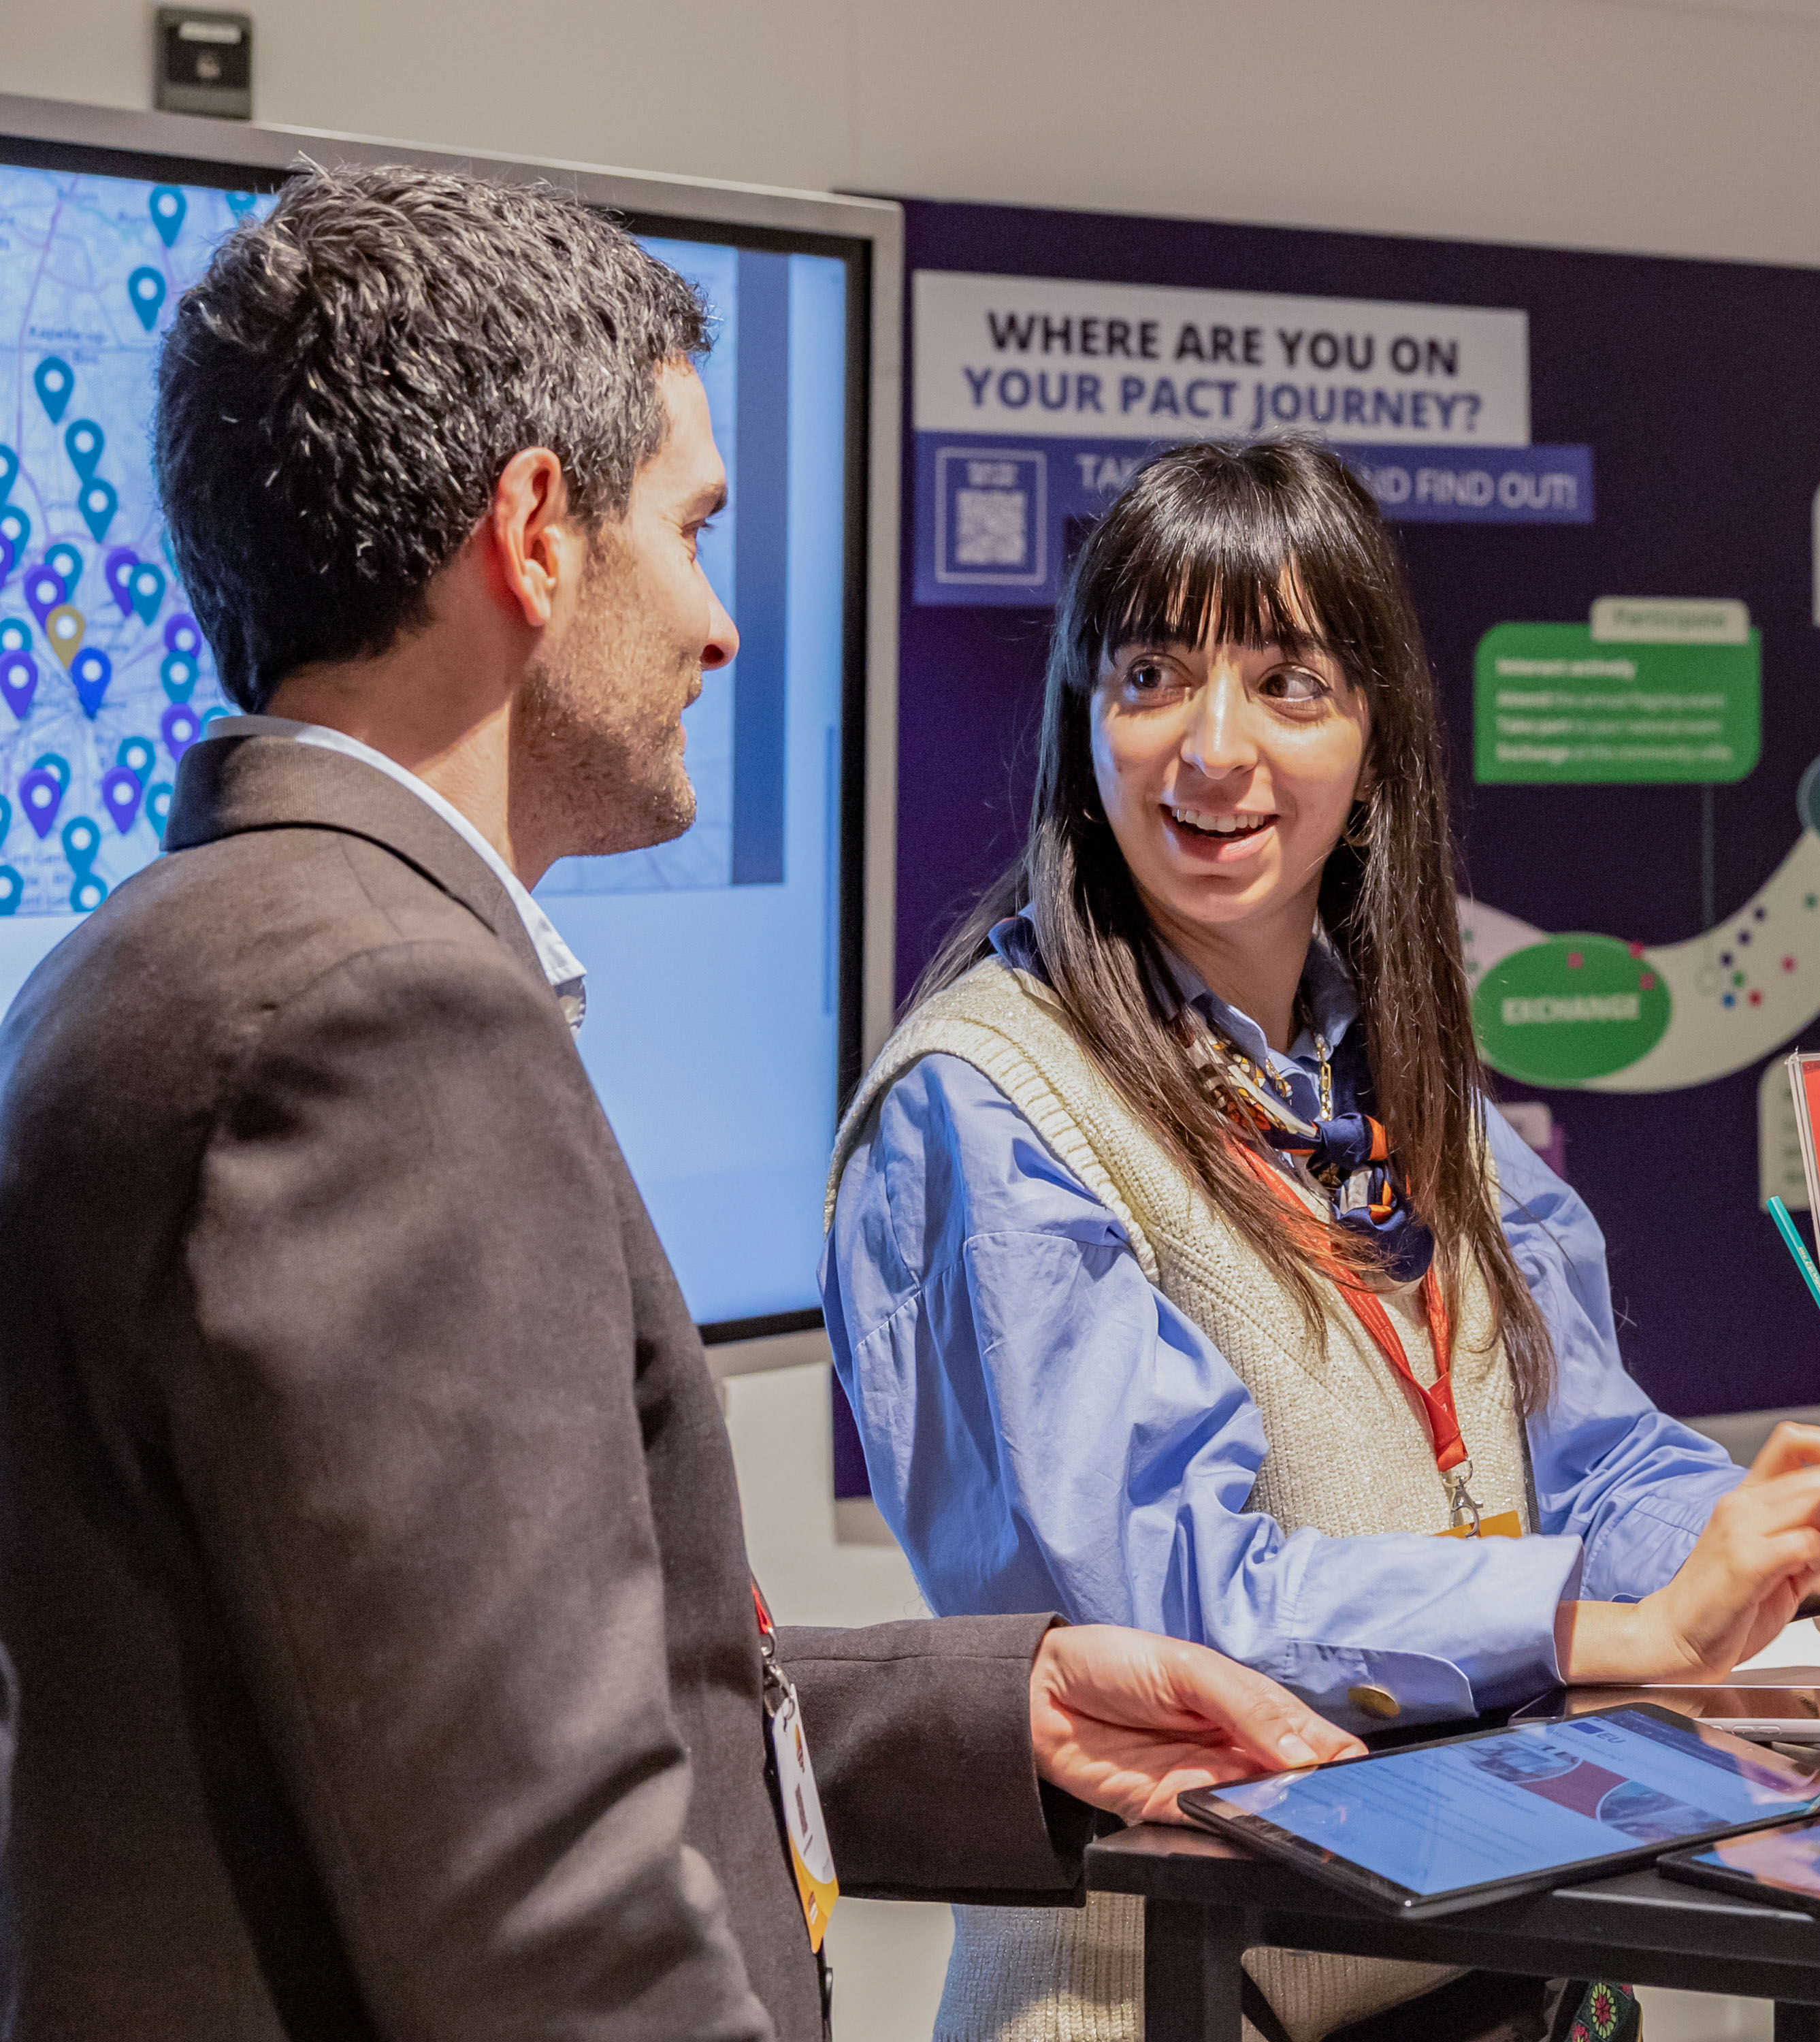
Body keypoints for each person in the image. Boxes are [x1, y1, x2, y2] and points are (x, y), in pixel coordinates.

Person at [0, 166, 1361, 2041]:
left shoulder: (180, 953)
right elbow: (540, 1906)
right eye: (692, 530)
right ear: (535, 534)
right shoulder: (380, 1023)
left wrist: (995, 1713)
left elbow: (415, 1687)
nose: (719, 628)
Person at [824, 438, 1820, 2042]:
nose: (1213, 748)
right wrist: (1606, 1630)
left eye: (1288, 684)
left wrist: (1764, 1537)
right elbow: (1164, 1608)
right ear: (1085, 726)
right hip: (1161, 1996)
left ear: (1375, 746)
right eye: (1152, 676)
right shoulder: (982, 1100)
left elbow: (1583, 1457)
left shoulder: (1397, 1070)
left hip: (1475, 1961)